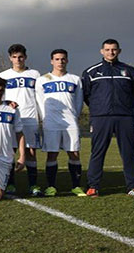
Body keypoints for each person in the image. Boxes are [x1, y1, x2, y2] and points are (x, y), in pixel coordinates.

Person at [82, 39, 134, 198]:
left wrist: (125, 107)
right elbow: (87, 95)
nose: (111, 52)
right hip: (101, 118)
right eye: (108, 49)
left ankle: (133, 186)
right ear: (101, 51)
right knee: (98, 152)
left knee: (129, 152)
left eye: (114, 49)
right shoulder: (91, 72)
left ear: (119, 51)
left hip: (125, 117)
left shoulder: (129, 71)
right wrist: (99, 109)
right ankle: (93, 186)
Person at [36, 49, 86, 197]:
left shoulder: (75, 79)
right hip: (51, 122)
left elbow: (79, 101)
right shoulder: (42, 79)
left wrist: (74, 116)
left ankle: (76, 186)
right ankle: (51, 186)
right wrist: (44, 118)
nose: (60, 62)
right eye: (57, 59)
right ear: (52, 61)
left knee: (74, 153)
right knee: (52, 154)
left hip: (70, 122)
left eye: (63, 59)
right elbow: (39, 101)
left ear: (67, 60)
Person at [0, 44, 41, 196]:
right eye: (15, 57)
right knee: (10, 151)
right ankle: (10, 185)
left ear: (25, 57)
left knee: (31, 152)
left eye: (20, 57)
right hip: (11, 118)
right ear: (10, 58)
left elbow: (39, 97)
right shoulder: (4, 76)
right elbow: (0, 97)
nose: (18, 60)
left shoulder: (35, 74)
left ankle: (33, 185)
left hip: (30, 118)